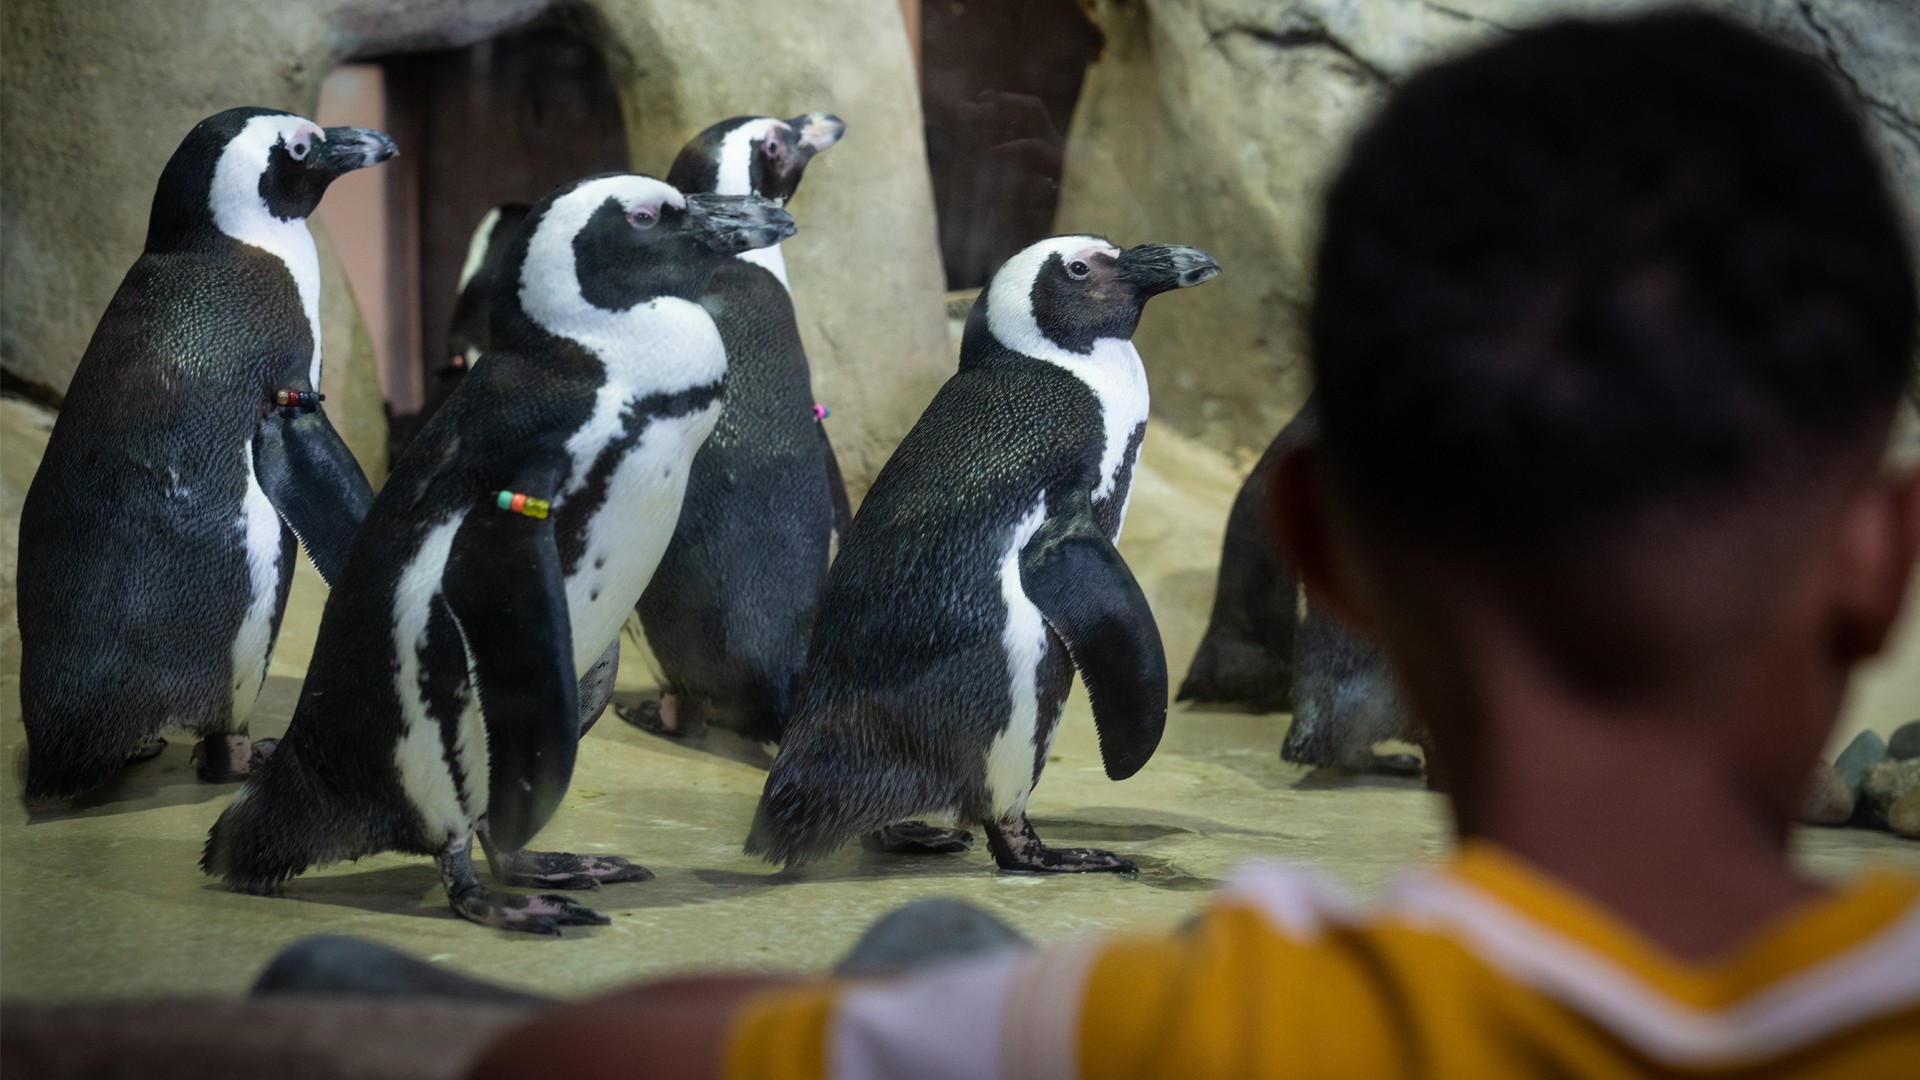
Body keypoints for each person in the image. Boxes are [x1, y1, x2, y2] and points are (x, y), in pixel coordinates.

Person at [470, 10, 1920, 1078]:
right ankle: (990, 805)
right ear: (1886, 560)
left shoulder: (1215, 1029)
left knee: (928, 958)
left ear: (1320, 552)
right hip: (880, 710)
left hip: (830, 746)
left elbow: (579, 1059)